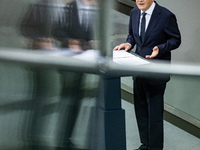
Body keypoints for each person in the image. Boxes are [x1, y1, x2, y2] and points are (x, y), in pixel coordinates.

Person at [113, 0, 181, 150]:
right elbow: (132, 35)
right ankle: (145, 145)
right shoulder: (134, 12)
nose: (140, 0)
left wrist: (161, 48)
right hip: (138, 70)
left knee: (154, 116)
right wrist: (128, 44)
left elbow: (176, 39)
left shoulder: (166, 15)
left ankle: (155, 148)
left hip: (156, 73)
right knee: (141, 111)